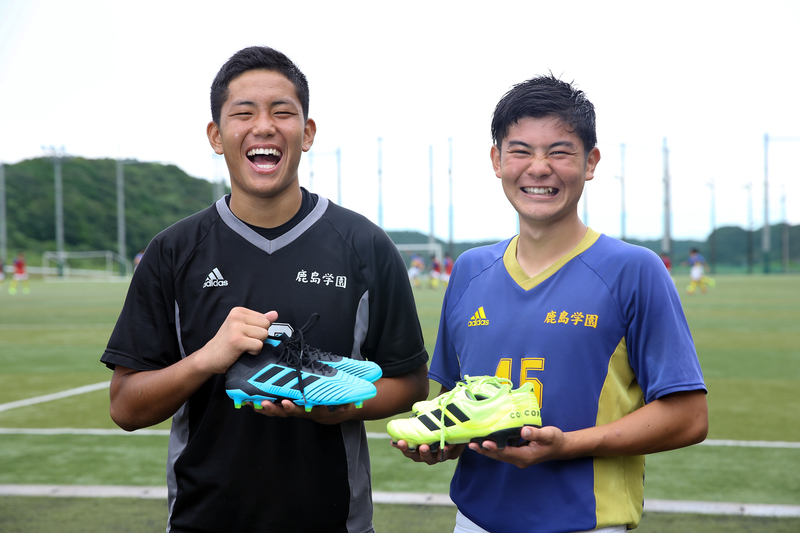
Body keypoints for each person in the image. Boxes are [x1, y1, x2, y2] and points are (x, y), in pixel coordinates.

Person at [101, 46, 429, 533]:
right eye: (243, 113)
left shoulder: (365, 247)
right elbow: (125, 406)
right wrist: (208, 359)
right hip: (202, 521)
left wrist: (334, 409)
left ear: (308, 132)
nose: (264, 126)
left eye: (282, 112)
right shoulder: (174, 251)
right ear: (216, 136)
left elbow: (410, 385)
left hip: (334, 521)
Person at [392, 74, 708, 533]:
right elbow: (457, 401)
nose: (538, 168)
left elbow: (688, 417)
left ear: (591, 162)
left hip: (584, 522)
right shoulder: (468, 269)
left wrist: (568, 445)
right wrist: (446, 439)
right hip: (473, 519)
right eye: (520, 150)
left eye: (559, 151)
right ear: (497, 160)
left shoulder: (634, 269)